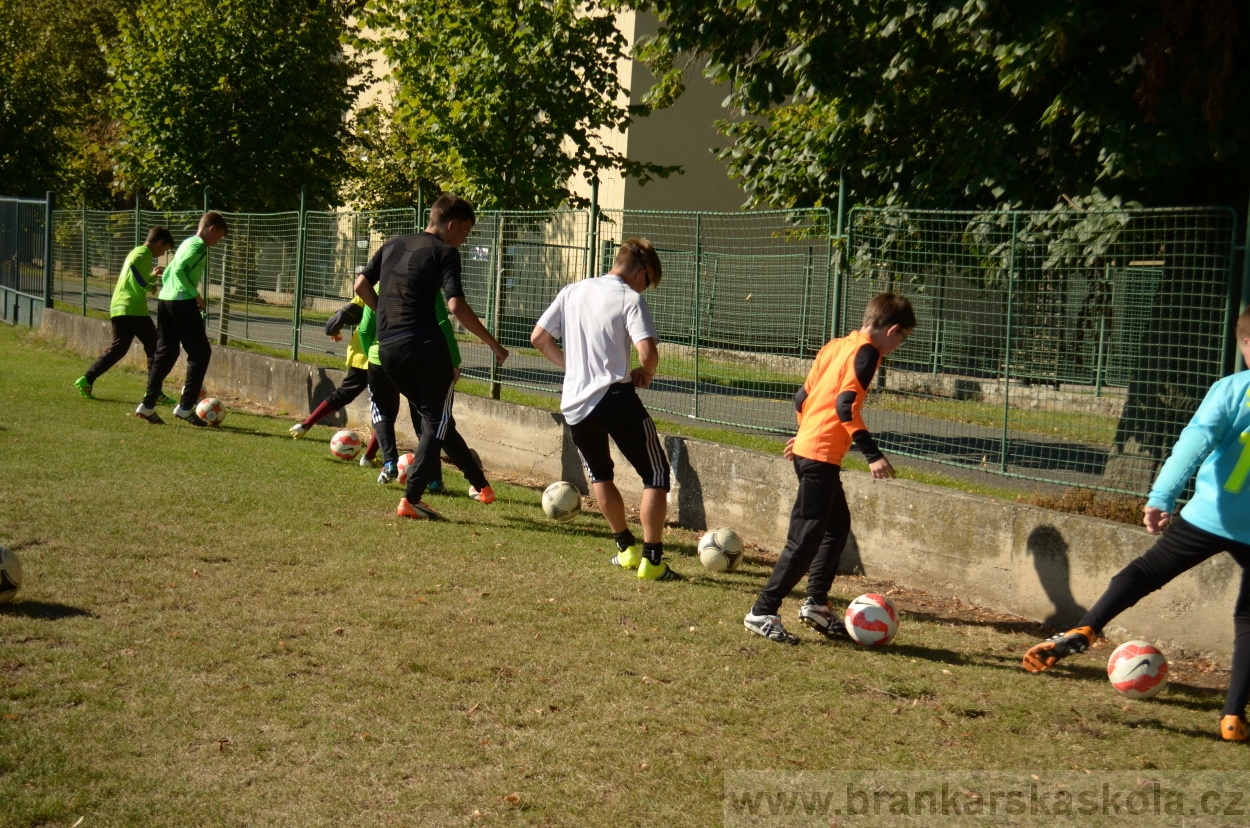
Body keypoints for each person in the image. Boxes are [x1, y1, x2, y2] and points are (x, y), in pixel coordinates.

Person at [1023, 306, 1250, 742]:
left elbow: (1193, 443)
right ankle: (1233, 715)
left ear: (1244, 345)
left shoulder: (1233, 389)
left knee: (1143, 572)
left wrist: (1160, 497)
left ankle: (1087, 626)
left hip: (1209, 515)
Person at [743, 293, 916, 643]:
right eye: (903, 338)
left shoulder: (837, 345)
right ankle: (762, 610)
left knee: (837, 527)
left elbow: (801, 398)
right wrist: (872, 454)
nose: (899, 345)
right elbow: (845, 406)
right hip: (818, 456)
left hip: (812, 449)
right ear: (894, 330)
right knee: (804, 540)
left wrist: (803, 432)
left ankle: (815, 604)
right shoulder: (868, 352)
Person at [530, 238, 679, 581]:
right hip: (615, 397)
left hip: (576, 405)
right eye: (648, 282)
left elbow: (539, 337)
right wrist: (648, 373)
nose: (646, 289)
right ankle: (652, 560)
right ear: (641, 273)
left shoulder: (572, 291)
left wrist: (572, 368)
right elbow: (647, 352)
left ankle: (625, 549)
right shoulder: (630, 298)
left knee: (600, 474)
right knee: (655, 475)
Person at [353, 193, 508, 519]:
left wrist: (384, 314)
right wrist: (493, 344)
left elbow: (360, 284)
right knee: (435, 424)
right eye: (465, 232)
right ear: (451, 225)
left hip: (389, 349)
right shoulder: (445, 252)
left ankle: (482, 487)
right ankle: (412, 499)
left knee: (437, 422)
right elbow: (455, 305)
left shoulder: (394, 243)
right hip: (424, 347)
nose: (464, 240)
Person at [357, 280, 465, 493]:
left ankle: (389, 463)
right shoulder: (428, 287)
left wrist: (372, 354)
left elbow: (364, 330)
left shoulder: (379, 287)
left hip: (382, 359)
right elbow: (442, 323)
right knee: (425, 421)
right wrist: (453, 361)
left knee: (382, 412)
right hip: (418, 360)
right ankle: (434, 480)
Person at [135, 211, 228, 426]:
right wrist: (196, 296)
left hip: (166, 299)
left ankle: (147, 406)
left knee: (166, 352)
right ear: (211, 229)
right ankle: (185, 407)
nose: (216, 242)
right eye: (218, 237)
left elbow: (169, 273)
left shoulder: (187, 242)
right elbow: (178, 271)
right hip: (181, 301)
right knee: (200, 353)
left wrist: (169, 289)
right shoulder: (199, 246)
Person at [75, 227, 175, 400]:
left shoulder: (137, 252)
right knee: (155, 346)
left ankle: (87, 379)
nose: (161, 254)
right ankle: (154, 392)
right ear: (159, 242)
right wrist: (148, 283)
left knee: (118, 348)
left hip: (119, 306)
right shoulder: (143, 253)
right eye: (164, 250)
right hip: (132, 307)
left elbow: (136, 277)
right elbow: (135, 269)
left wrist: (151, 278)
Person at [288, 296, 372, 460]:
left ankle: (306, 424)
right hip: (386, 357)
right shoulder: (410, 288)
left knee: (343, 393)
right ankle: (369, 457)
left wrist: (334, 331)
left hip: (361, 354)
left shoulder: (370, 290)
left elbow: (334, 322)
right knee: (385, 409)